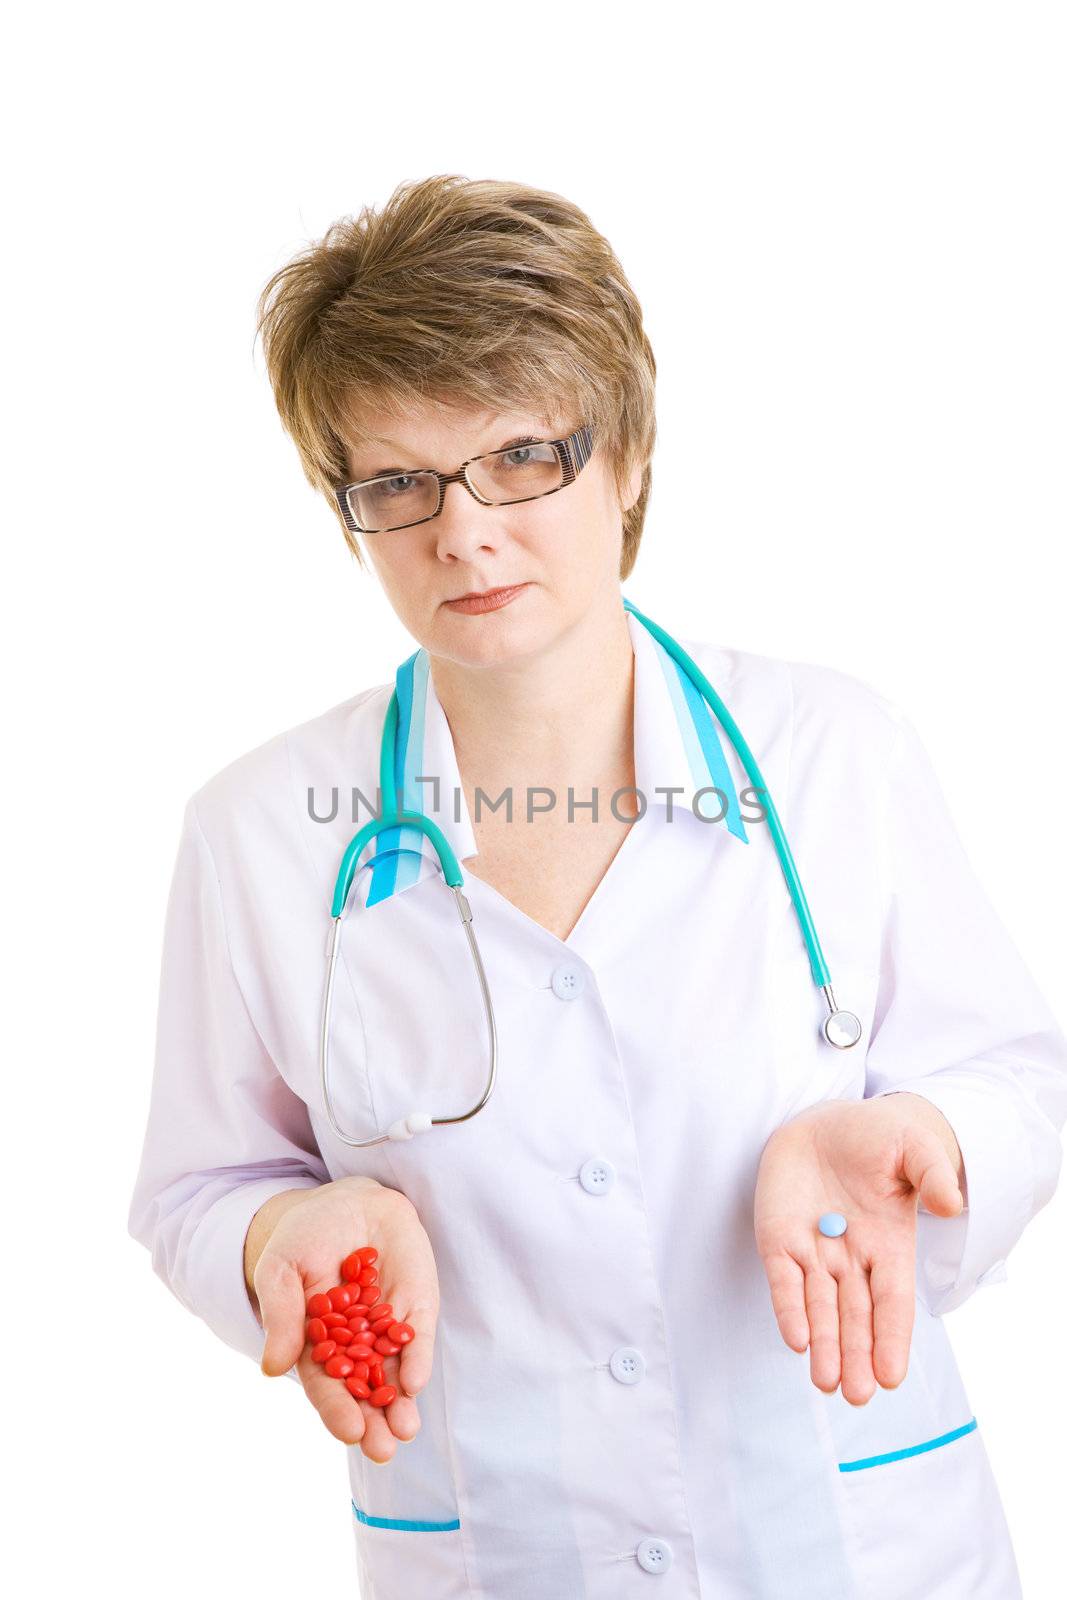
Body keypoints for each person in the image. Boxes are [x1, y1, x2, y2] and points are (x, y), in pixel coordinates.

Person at [127, 175, 1067, 1600]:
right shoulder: (258, 833)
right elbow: (200, 1186)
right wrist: (283, 1232)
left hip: (857, 1546)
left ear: (624, 459)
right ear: (351, 509)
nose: (463, 531)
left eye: (521, 456)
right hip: (504, 1555)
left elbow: (1018, 1076)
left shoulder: (832, 751)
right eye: (399, 482)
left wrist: (923, 1130)